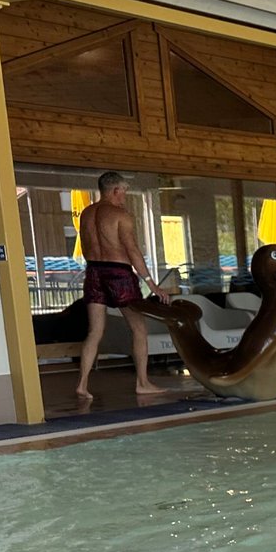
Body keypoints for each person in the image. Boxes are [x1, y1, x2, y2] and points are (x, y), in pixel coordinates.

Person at [75, 170, 172, 399]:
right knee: (138, 328)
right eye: (124, 192)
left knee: (95, 331)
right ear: (115, 190)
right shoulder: (121, 215)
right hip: (118, 273)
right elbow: (132, 251)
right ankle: (142, 382)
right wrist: (152, 284)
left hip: (94, 272)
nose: (124, 197)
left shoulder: (86, 214)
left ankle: (82, 384)